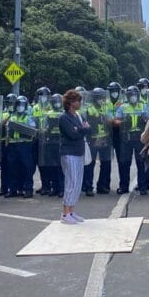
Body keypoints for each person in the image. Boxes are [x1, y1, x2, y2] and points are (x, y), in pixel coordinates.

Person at [58, 89, 90, 224]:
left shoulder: (77, 116)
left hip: (78, 152)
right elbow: (73, 134)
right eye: (78, 101)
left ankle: (71, 211)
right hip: (69, 153)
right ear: (71, 102)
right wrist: (83, 129)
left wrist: (81, 129)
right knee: (71, 182)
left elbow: (82, 130)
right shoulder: (64, 118)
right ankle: (65, 214)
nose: (80, 103)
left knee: (77, 182)